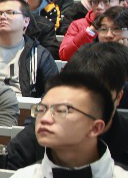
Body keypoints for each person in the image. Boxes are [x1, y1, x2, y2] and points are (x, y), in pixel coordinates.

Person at [7, 42, 128, 170]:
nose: (89, 100)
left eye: (98, 96)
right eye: (78, 92)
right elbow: (9, 165)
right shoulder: (45, 127)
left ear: (118, 97)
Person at [0, 0, 58, 98]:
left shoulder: (39, 55)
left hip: (23, 105)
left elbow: (55, 92)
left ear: (26, 21)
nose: (3, 17)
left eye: (11, 13)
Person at [59, 0, 124, 61]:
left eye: (106, 1)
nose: (99, 7)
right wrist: (89, 32)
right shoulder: (78, 25)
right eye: (95, 2)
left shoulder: (125, 25)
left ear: (122, 3)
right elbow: (65, 56)